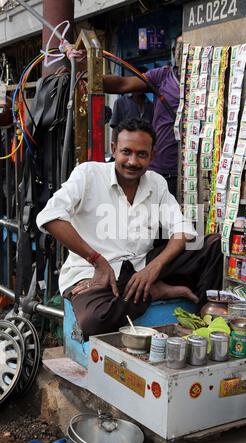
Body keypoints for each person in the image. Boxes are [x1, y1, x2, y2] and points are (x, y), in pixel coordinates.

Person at [36, 118, 222, 340]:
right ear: (114, 149)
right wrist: (97, 259)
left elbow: (183, 230)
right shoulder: (88, 174)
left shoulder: (157, 183)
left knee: (212, 245)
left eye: (141, 154)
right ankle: (154, 292)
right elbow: (49, 217)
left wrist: (154, 268)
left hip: (140, 267)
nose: (133, 161)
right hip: (92, 274)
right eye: (126, 152)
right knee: (93, 321)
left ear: (152, 155)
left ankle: (205, 319)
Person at [102, 33, 183, 198]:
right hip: (162, 169)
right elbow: (122, 84)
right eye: (179, 48)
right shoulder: (163, 76)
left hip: (195, 172)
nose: (182, 53)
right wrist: (86, 75)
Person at [110, 66, 154, 143]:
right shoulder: (120, 103)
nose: (140, 86)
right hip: (125, 146)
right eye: (138, 81)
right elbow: (115, 129)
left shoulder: (151, 106)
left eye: (143, 82)